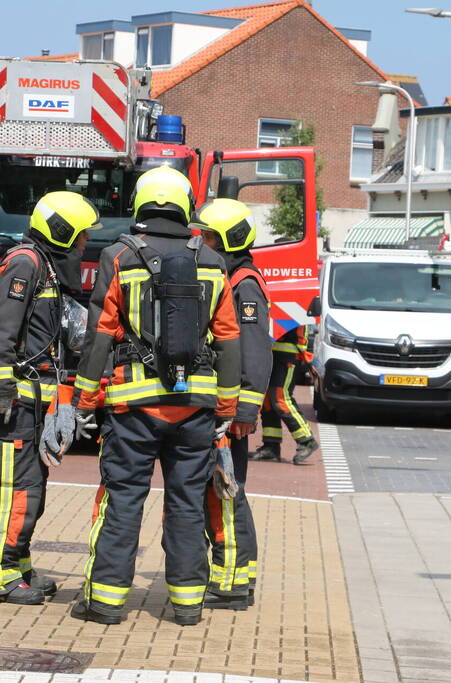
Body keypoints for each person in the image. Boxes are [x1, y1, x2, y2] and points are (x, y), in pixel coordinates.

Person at [65, 166, 242, 626]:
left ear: (140, 202)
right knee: (186, 506)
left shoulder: (120, 256)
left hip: (133, 407)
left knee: (123, 500)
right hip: (196, 408)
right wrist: (225, 407)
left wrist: (83, 401)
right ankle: (186, 607)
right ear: (186, 204)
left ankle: (105, 603)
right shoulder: (213, 260)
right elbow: (228, 338)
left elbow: (99, 334)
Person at [0, 190, 101, 604]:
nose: (84, 245)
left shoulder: (44, 265)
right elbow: (0, 329)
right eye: (81, 236)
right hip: (15, 403)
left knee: (31, 489)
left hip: (35, 401)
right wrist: (3, 390)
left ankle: (19, 566)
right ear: (62, 232)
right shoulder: (25, 263)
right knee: (14, 490)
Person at [192, 198, 272, 611]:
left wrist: (244, 411)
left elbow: (256, 353)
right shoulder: (230, 277)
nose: (199, 242)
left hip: (232, 413)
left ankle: (232, 584)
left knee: (225, 492)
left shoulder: (244, 286)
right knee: (225, 490)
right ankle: (237, 577)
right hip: (224, 408)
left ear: (227, 240)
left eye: (205, 236)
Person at [252, 323, 319, 465]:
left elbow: (301, 325)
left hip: (288, 355)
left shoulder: (293, 302)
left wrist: (304, 354)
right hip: (271, 353)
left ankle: (307, 440)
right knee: (268, 401)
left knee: (280, 398)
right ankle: (271, 446)